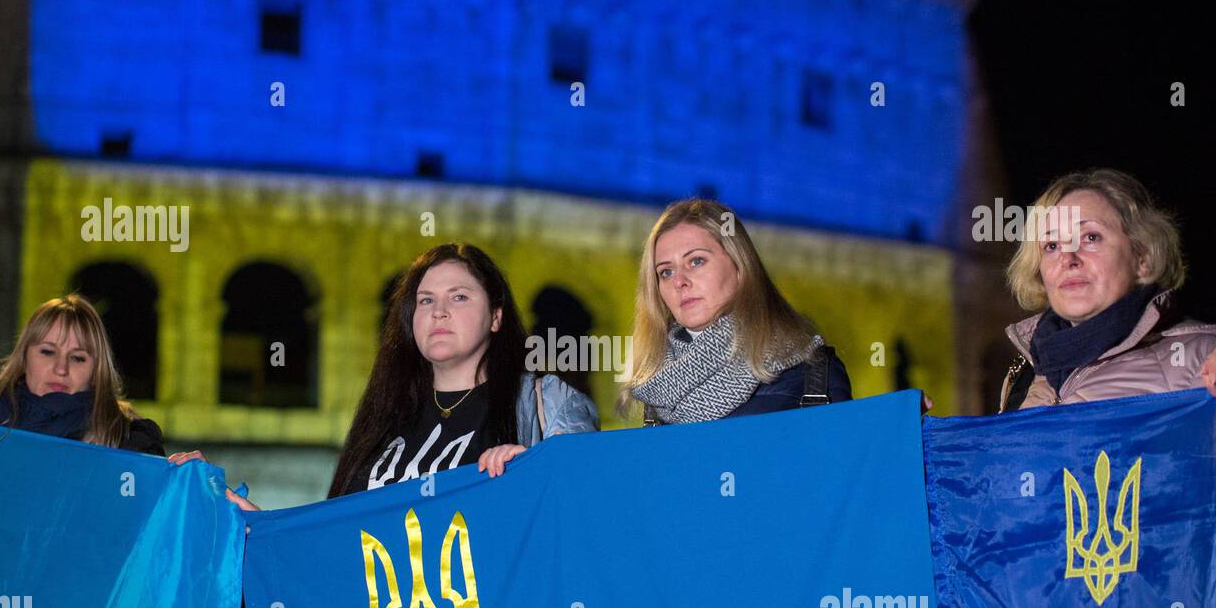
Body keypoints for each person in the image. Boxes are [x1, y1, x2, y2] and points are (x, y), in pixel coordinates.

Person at [171, 242, 599, 506]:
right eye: (426, 301)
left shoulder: (545, 402)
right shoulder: (386, 418)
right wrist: (231, 510)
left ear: (496, 317)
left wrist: (537, 473)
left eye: (460, 297)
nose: (440, 311)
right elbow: (327, 544)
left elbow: (591, 504)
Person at [999, 168, 1216, 412]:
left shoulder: (1205, 360)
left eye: (1090, 237)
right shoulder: (1025, 375)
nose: (1067, 258)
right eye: (1052, 245)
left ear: (1142, 257)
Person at [622, 198, 851, 424]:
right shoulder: (656, 391)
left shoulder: (812, 372)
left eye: (696, 261)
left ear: (740, 266)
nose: (679, 281)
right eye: (666, 272)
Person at [0, 294, 164, 454]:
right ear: (24, 359)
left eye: (77, 358)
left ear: (97, 371)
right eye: (47, 352)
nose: (61, 369)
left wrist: (179, 481)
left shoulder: (131, 441)